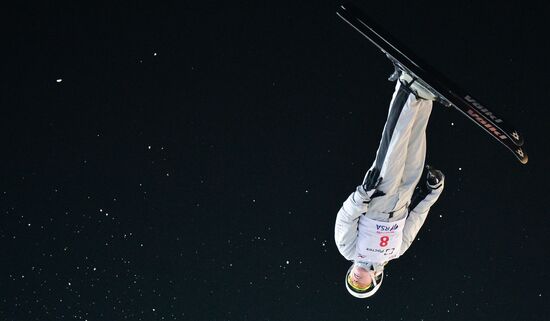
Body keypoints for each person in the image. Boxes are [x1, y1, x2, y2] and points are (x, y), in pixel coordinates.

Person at [334, 69, 445, 298]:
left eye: (351, 283)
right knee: (415, 143)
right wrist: (434, 191)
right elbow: (417, 217)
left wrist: (362, 195)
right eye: (362, 287)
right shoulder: (396, 252)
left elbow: (345, 218)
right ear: (375, 280)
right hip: (404, 197)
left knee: (395, 141)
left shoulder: (349, 250)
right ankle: (425, 99)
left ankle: (407, 86)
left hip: (379, 194)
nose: (356, 281)